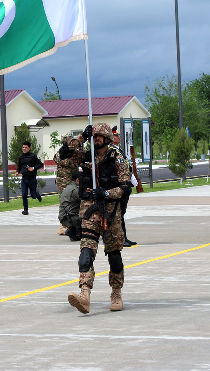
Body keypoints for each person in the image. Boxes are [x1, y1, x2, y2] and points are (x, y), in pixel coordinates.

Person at [68, 123, 132, 314]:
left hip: (111, 211)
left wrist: (105, 193)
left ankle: (116, 292)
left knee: (114, 255)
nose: (96, 139)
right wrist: (81, 137)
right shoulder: (86, 155)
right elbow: (63, 155)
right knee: (86, 252)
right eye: (94, 137)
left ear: (107, 139)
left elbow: (124, 186)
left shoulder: (117, 158)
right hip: (89, 211)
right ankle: (84, 294)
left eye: (99, 137)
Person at [54, 135, 86, 234]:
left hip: (73, 181)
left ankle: (73, 223)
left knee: (75, 202)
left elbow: (83, 158)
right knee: (64, 201)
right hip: (63, 181)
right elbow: (62, 160)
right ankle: (63, 226)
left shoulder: (77, 153)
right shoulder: (60, 154)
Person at [111, 128, 137, 247]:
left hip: (125, 184)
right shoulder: (111, 150)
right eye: (116, 136)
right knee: (119, 214)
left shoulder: (117, 149)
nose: (119, 137)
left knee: (121, 214)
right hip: (119, 186)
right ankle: (121, 239)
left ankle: (124, 237)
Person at [15, 141, 44, 215]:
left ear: (29, 148)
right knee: (24, 194)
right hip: (24, 178)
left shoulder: (33, 156)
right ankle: (25, 210)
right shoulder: (21, 157)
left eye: (26, 147)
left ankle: (37, 195)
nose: (24, 149)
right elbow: (19, 166)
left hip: (32, 179)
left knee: (33, 195)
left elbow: (41, 164)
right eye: (23, 147)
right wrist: (17, 172)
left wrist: (33, 168)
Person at [59, 171, 82, 241]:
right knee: (91, 218)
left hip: (66, 217)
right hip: (69, 218)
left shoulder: (70, 187)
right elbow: (85, 200)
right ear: (77, 180)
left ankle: (74, 231)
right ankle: (74, 231)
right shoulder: (75, 190)